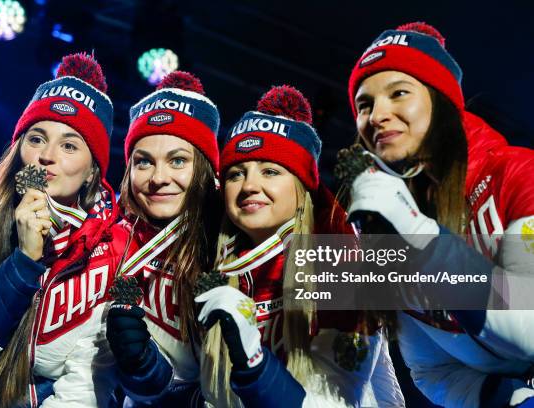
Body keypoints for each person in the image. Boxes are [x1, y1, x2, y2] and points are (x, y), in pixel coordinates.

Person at [347, 22, 534, 408]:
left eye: (399, 93)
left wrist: (421, 236)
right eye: (365, 104)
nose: (378, 114)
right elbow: (432, 370)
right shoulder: (385, 231)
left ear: (442, 100)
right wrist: (508, 399)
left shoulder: (518, 175)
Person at [0, 52, 127, 407]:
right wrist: (25, 260)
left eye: (68, 145)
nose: (47, 155)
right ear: (19, 149)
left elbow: (84, 385)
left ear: (93, 171)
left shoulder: (114, 247)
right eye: (36, 138)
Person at [195, 85, 404, 407]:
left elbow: (338, 401)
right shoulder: (217, 272)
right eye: (236, 174)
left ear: (302, 187)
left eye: (270, 171)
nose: (249, 186)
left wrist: (255, 364)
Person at [105, 71, 222, 406]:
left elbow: (370, 298)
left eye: (178, 160)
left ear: (205, 169)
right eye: (144, 162)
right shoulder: (108, 237)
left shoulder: (233, 236)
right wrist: (143, 371)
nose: (158, 178)